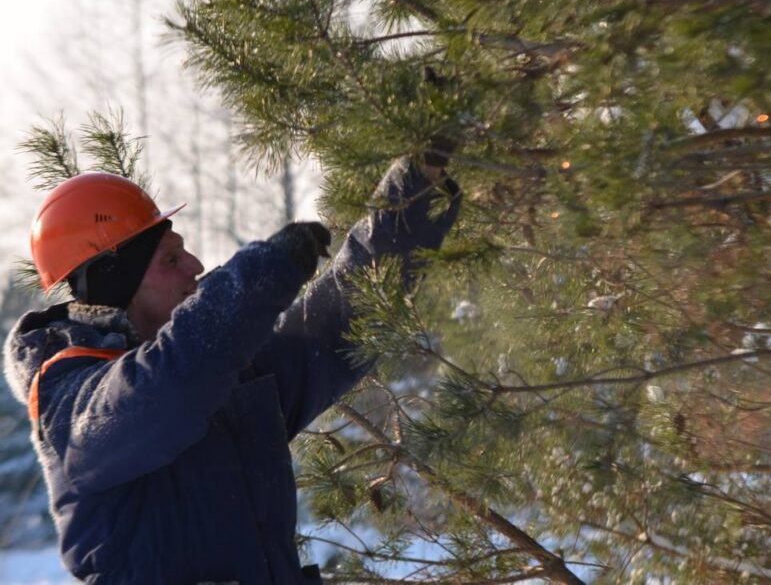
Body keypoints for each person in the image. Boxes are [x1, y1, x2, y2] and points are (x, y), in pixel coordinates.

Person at [3, 155, 460, 584]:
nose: (195, 266)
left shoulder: (225, 371)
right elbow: (166, 388)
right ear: (115, 279)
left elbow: (340, 318)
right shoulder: (73, 403)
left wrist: (417, 185)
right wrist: (263, 272)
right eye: (170, 258)